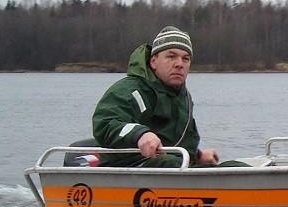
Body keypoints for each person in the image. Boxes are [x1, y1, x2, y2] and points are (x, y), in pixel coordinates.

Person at [91, 26, 219, 167]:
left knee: (232, 165)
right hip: (129, 165)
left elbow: (179, 140)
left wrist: (198, 156)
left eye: (185, 59)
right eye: (171, 57)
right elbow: (105, 123)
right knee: (170, 163)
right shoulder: (129, 90)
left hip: (171, 164)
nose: (179, 64)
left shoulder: (183, 97)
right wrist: (140, 135)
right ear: (153, 62)